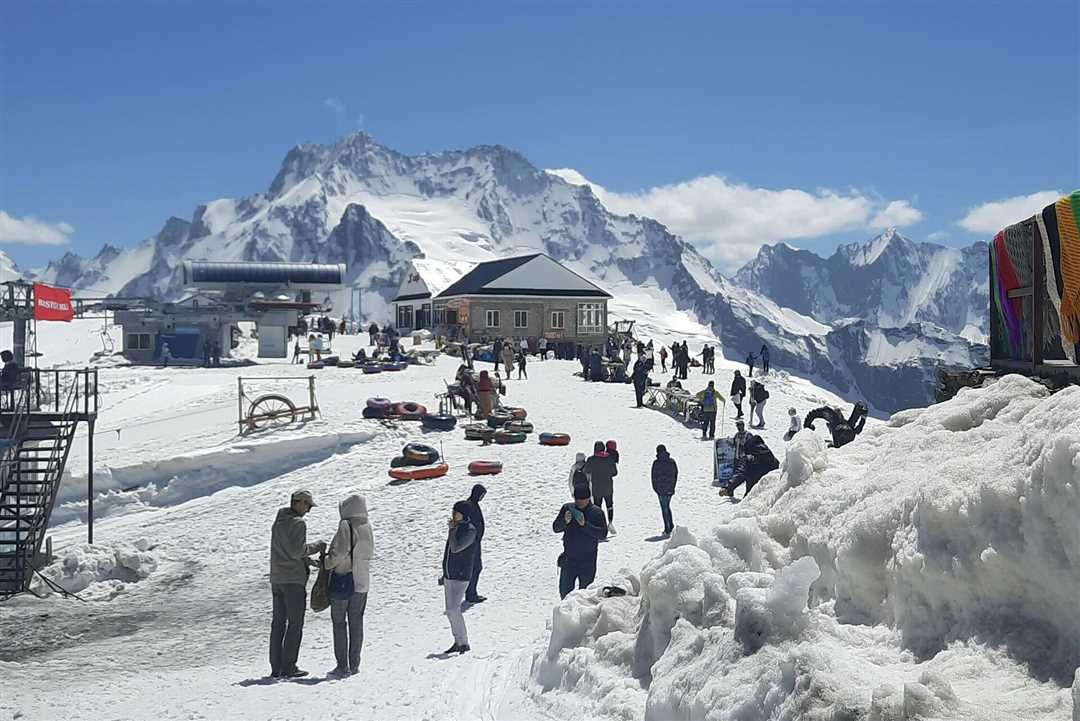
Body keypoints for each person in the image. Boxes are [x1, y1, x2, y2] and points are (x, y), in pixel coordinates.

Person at [269, 490, 326, 679]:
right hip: (293, 581)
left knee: (278, 624)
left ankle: (276, 666)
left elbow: (285, 551)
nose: (308, 510)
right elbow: (296, 551)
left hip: (277, 579)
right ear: (299, 503)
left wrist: (308, 561)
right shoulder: (298, 523)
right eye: (308, 505)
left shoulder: (279, 521)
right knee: (295, 624)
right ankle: (289, 666)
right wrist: (317, 546)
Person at [324, 494, 374, 677]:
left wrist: (326, 563)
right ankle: (354, 663)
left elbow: (339, 553)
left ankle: (342, 665)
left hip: (344, 580)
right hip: (362, 582)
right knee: (356, 623)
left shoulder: (346, 525)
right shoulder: (367, 526)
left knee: (339, 623)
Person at [553, 484, 609, 598]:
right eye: (577, 500)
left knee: (585, 596)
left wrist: (585, 525)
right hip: (569, 559)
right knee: (565, 593)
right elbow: (555, 528)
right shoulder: (567, 509)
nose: (580, 503)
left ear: (588, 498)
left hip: (587, 560)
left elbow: (602, 534)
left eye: (582, 500)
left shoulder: (596, 512)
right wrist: (565, 521)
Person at [440, 501, 477, 654]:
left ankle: (464, 642)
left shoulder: (469, 530)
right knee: (450, 610)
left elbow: (455, 548)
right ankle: (458, 641)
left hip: (461, 576)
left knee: (454, 608)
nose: (454, 515)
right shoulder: (457, 528)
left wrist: (452, 531)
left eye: (457, 512)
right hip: (450, 575)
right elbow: (448, 554)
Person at [720, 422, 779, 499]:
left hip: (753, 495)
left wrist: (728, 487)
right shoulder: (773, 459)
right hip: (769, 496)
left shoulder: (749, 459)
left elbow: (740, 474)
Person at [583, 441, 618, 534]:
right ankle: (610, 523)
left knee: (597, 507)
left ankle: (599, 525)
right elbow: (615, 473)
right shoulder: (609, 459)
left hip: (596, 487)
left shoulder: (591, 459)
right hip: (608, 487)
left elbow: (586, 470)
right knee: (609, 505)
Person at [464, 485, 487, 604]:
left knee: (476, 567)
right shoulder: (470, 506)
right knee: (475, 567)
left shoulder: (472, 504)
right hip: (472, 544)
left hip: (475, 542)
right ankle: (471, 593)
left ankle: (471, 592)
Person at [651, 445, 678, 536]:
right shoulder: (671, 462)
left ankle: (667, 528)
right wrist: (672, 487)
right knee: (667, 507)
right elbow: (675, 475)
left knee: (664, 508)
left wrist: (656, 488)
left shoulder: (657, 463)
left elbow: (653, 477)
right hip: (669, 489)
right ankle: (670, 525)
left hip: (661, 489)